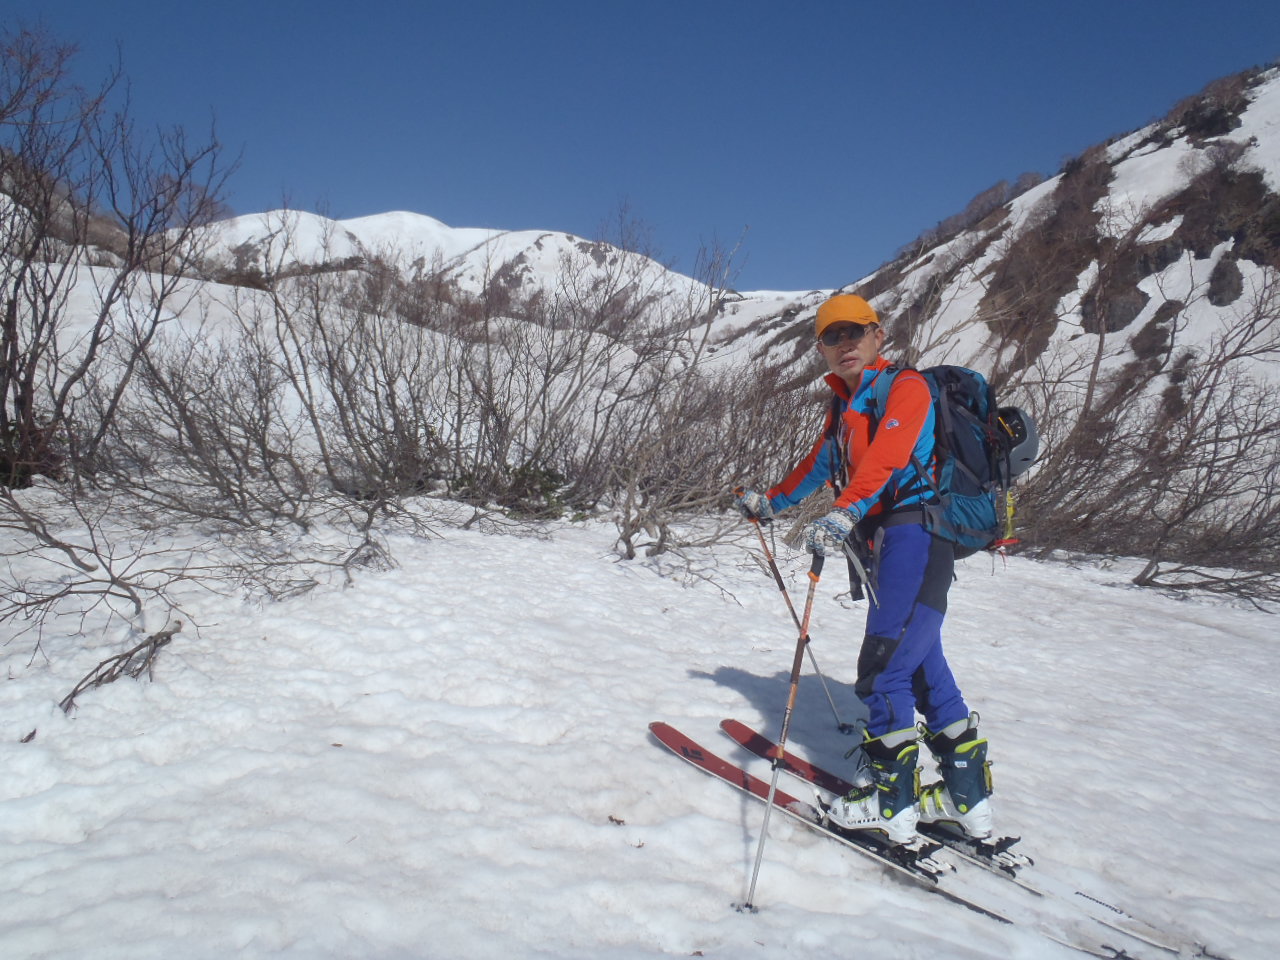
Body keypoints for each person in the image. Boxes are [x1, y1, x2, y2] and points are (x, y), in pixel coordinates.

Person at [735, 293, 992, 847]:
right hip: (889, 542)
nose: (844, 343)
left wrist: (847, 509)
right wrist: (770, 503)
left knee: (883, 667)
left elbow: (891, 455)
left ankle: (891, 803)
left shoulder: (906, 388)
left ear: (878, 336)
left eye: (855, 332)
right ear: (821, 348)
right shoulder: (846, 409)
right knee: (922, 669)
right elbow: (817, 465)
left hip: (917, 534)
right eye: (832, 336)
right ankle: (965, 802)